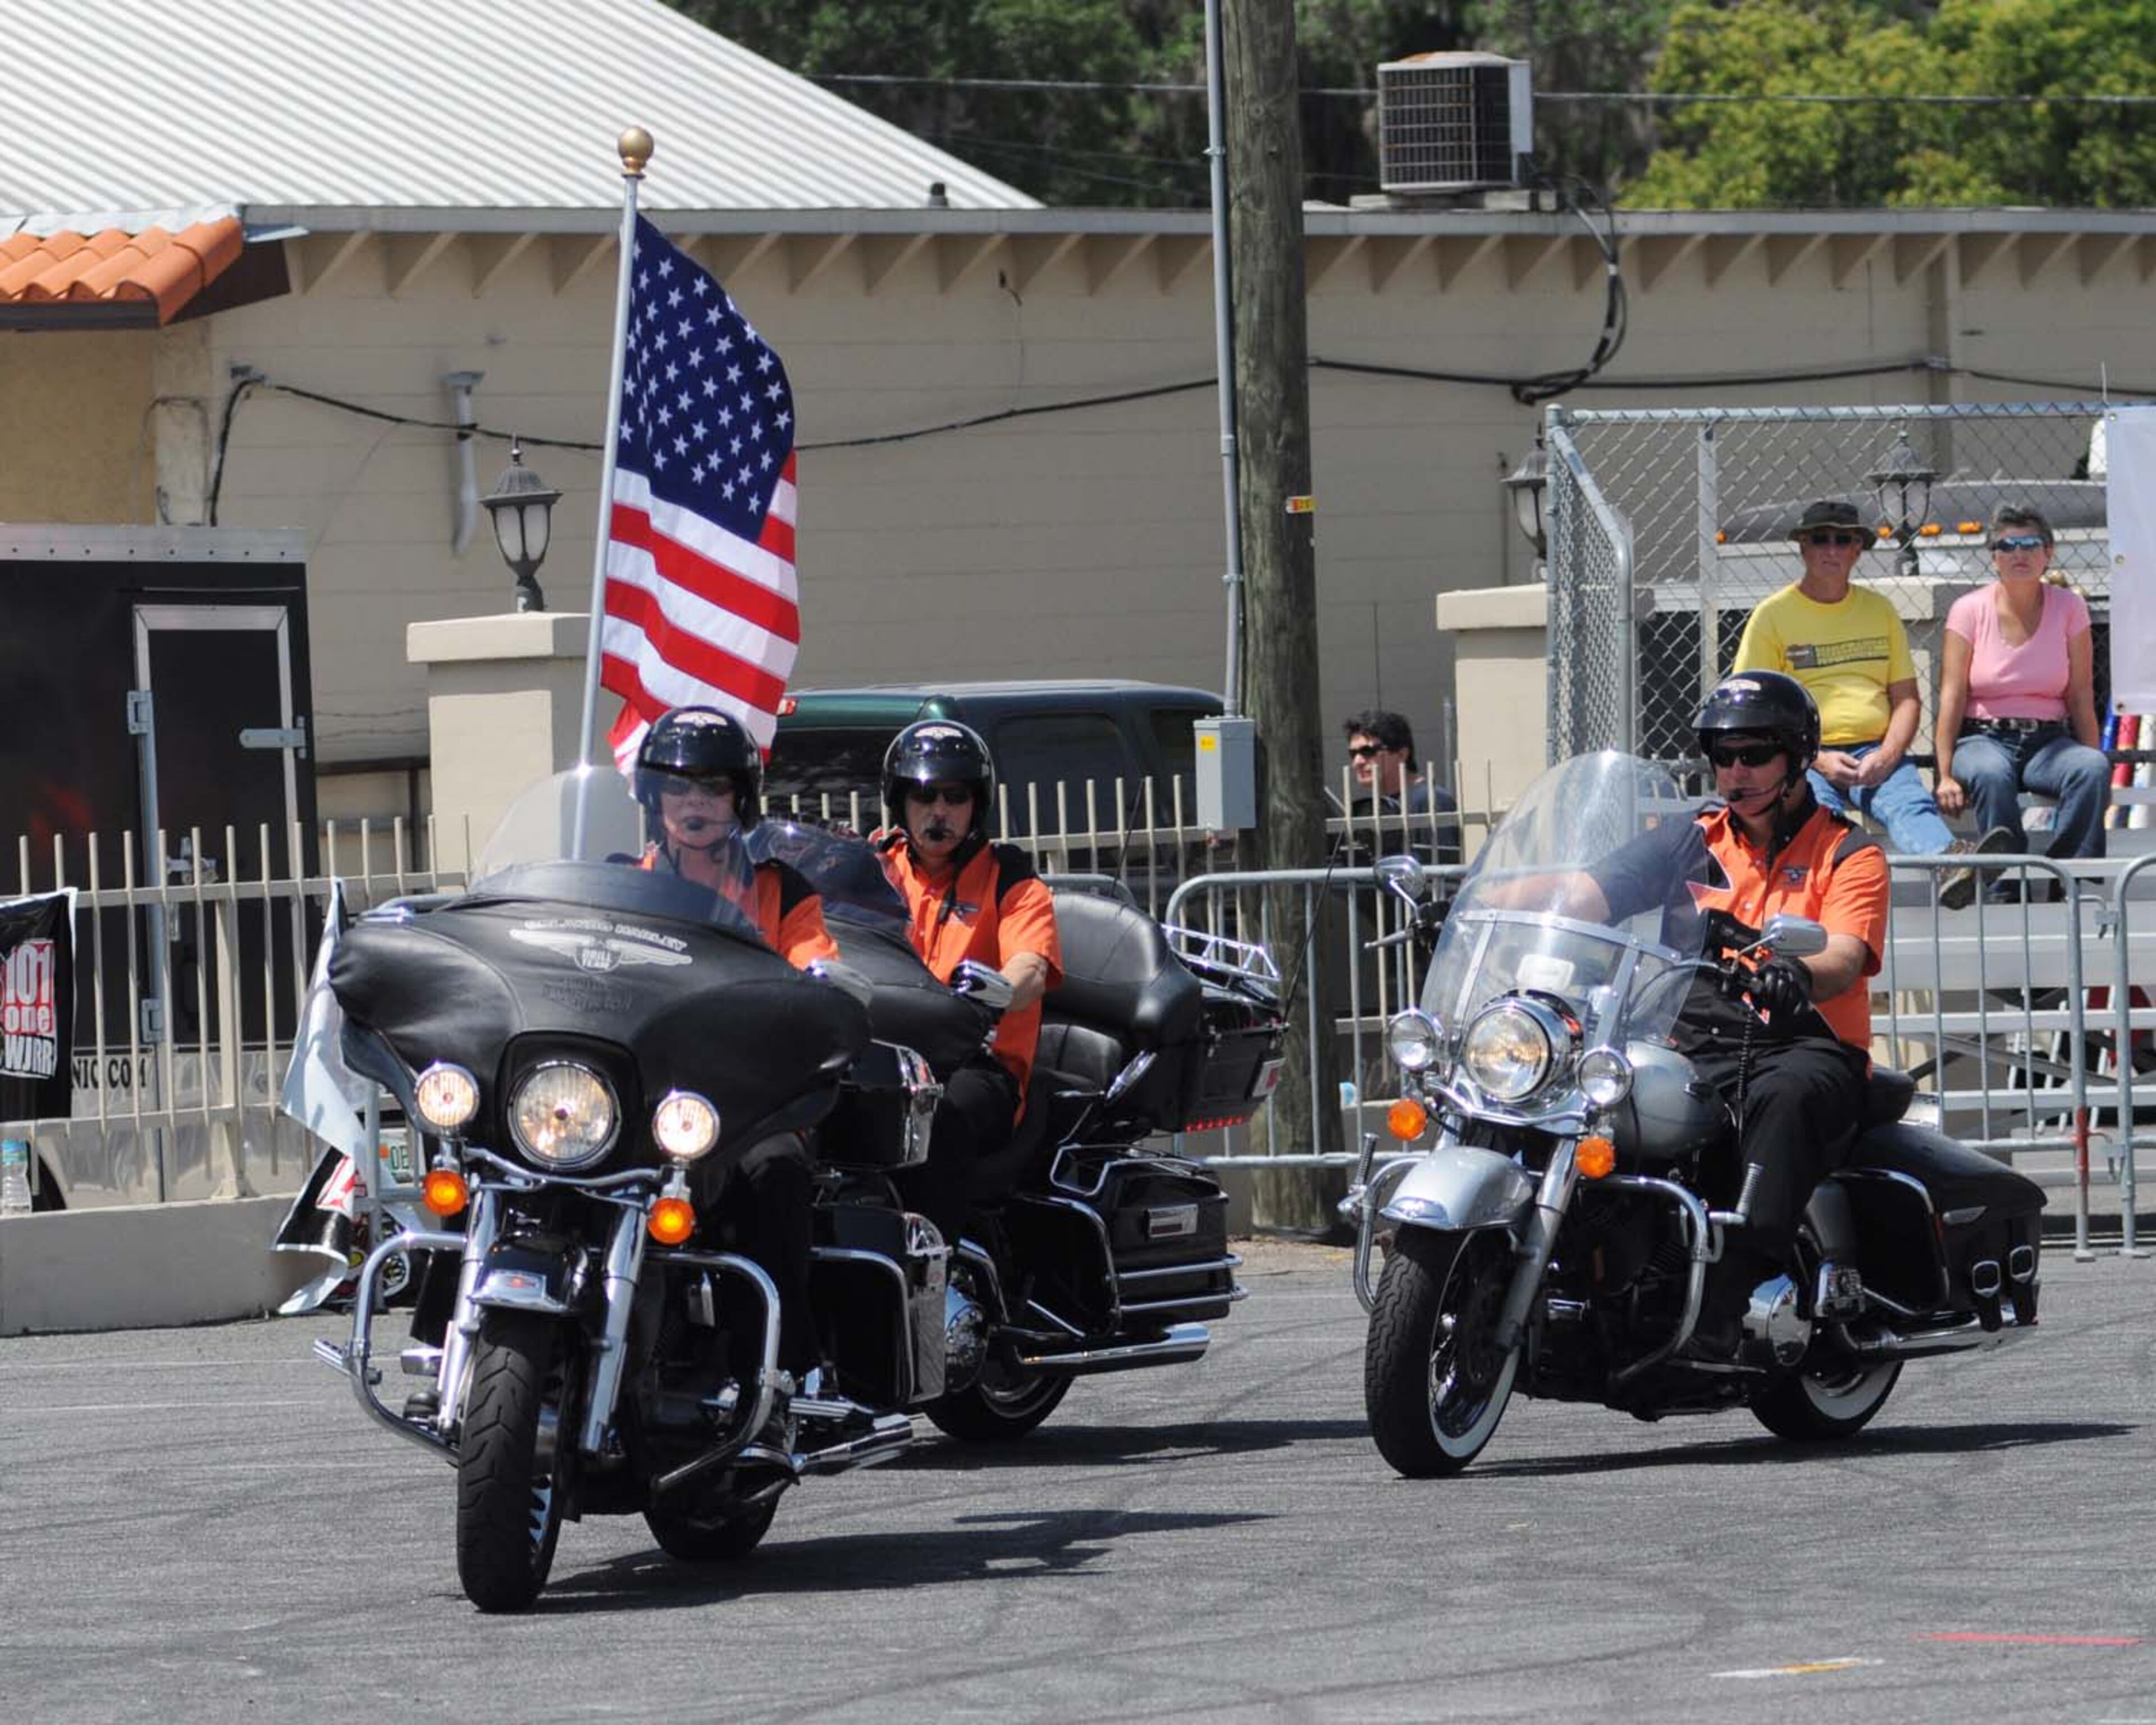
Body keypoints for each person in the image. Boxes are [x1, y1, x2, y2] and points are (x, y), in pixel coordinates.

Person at [1504, 673, 1890, 1359]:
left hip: (1803, 1042)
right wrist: (1493, 905)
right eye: (1722, 755)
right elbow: (1586, 891)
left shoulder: (1847, 851)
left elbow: (1847, 955)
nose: (1734, 771)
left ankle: (1728, 1295)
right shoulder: (1692, 837)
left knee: (1784, 1095)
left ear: (1798, 757)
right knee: (1587, 1083)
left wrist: (1797, 970)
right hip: (1691, 1035)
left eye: (1754, 755)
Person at [631, 706, 838, 1382]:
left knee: (777, 1170)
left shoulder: (781, 891)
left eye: (713, 788)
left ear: (739, 801)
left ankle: (784, 1364)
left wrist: (820, 983)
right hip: (645, 1098)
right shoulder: (623, 888)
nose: (695, 802)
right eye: (679, 788)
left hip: (754, 1101)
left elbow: (819, 966)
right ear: (654, 799)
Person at [1732, 499, 2007, 908]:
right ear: (1803, 548)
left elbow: (1907, 700)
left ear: (1857, 550)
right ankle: (1828, 900)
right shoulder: (1772, 616)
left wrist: (1889, 752)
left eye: (1843, 540)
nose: (1831, 549)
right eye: (1820, 539)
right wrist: (1814, 756)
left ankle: (1952, 867)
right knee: (1817, 819)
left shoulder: (1880, 610)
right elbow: (1756, 705)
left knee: (1908, 804)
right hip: (1802, 755)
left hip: (1874, 748)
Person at [873, 720, 1063, 1247]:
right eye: (925, 795)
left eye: (954, 797)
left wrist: (997, 989)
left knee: (941, 1115)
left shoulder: (1012, 880)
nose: (939, 811)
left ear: (976, 805)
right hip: (889, 1053)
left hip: (980, 1065)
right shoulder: (875, 869)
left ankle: (934, 1269)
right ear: (901, 801)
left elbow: (1032, 968)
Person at [1934, 504, 2110, 898]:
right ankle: (2003, 886)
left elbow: (2080, 693)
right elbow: (1951, 694)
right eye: (2007, 545)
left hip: (2049, 741)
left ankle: (2064, 879)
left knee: (2092, 768)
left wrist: (2093, 757)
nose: (2020, 554)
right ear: (1994, 557)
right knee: (1992, 775)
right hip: (1983, 738)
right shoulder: (1968, 610)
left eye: (2031, 544)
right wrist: (1944, 774)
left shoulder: (2071, 607)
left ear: (2049, 553)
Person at [1341, 709, 1460, 865]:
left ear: (1402, 754)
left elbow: (1444, 878)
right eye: (1353, 754)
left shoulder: (1429, 800)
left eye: (1368, 752)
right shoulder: (1377, 806)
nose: (1357, 762)